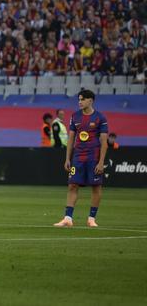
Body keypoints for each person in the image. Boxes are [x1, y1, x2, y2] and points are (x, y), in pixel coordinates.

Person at [53, 89, 109, 228]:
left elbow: (104, 142)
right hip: (78, 157)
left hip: (93, 157)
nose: (80, 101)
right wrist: (67, 159)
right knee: (72, 185)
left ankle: (91, 219)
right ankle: (68, 218)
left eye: (82, 99)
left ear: (90, 100)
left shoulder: (100, 118)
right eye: (79, 99)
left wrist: (101, 162)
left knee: (96, 187)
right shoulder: (75, 116)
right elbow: (71, 139)